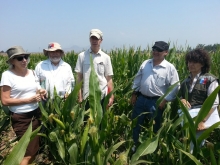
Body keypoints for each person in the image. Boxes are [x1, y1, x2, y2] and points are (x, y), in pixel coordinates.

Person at [0, 46, 47, 165]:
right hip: (21, 118)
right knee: (28, 152)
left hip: (36, 114)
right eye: (20, 58)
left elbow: (36, 88)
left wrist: (42, 91)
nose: (24, 60)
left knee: (35, 149)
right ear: (12, 61)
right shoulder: (8, 75)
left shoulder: (32, 73)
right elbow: (5, 101)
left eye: (25, 57)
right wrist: (28, 100)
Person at [131, 41, 180, 146]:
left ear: (166, 52)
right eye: (154, 49)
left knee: (155, 126)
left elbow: (175, 86)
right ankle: (135, 145)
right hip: (141, 99)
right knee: (136, 124)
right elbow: (137, 79)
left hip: (156, 102)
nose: (156, 52)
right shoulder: (145, 63)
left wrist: (165, 99)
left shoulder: (169, 68)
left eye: (159, 50)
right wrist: (134, 94)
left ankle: (152, 150)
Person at [179, 48, 219, 151]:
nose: (190, 64)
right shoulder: (186, 81)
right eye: (189, 61)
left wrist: (202, 120)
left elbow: (214, 103)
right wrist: (182, 100)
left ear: (202, 64)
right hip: (188, 116)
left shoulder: (210, 79)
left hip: (201, 116)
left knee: (196, 145)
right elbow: (180, 96)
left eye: (194, 62)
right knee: (187, 145)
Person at [75, 29, 114, 108]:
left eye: (97, 39)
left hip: (102, 97)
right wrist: (80, 97)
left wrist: (111, 96)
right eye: (92, 38)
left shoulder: (106, 57)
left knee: (100, 119)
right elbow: (79, 78)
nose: (94, 41)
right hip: (87, 98)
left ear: (101, 40)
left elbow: (109, 79)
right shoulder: (82, 56)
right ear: (90, 40)